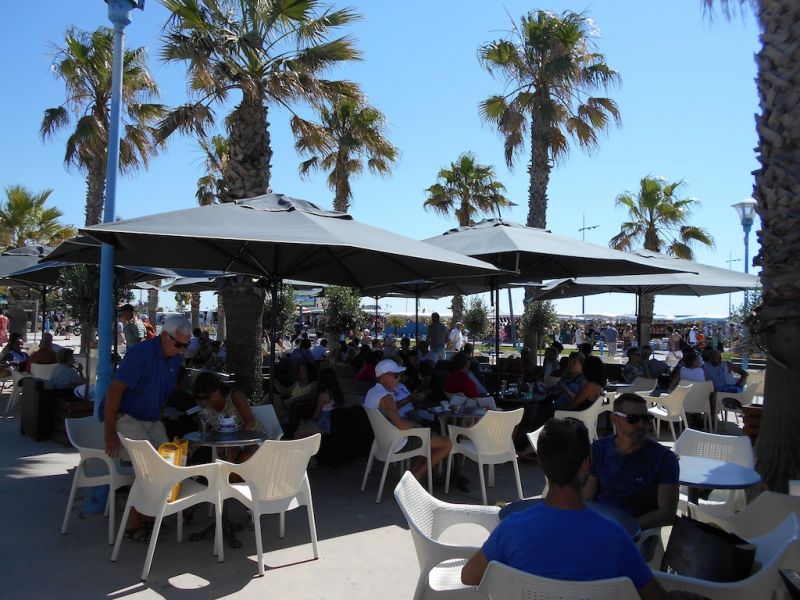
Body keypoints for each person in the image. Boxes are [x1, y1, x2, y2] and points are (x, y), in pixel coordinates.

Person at [462, 418, 666, 600]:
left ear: (541, 463)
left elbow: (468, 576)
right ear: (587, 465)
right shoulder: (615, 538)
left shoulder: (511, 529)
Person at [102, 314, 191, 541]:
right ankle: (133, 523)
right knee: (149, 467)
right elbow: (114, 391)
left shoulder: (174, 359)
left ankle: (151, 514)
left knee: (170, 464)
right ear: (163, 336)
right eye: (178, 344)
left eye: (186, 345)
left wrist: (159, 416)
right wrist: (109, 433)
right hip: (128, 416)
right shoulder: (140, 355)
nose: (181, 350)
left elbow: (165, 391)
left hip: (151, 419)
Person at [584, 393, 679, 530]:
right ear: (614, 419)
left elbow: (667, 514)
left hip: (636, 535)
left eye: (646, 419)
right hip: (599, 527)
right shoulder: (599, 449)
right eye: (633, 419)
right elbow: (588, 497)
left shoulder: (664, 459)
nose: (641, 425)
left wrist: (626, 529)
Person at [364, 359, 451, 482]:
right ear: (383, 377)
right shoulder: (386, 397)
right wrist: (416, 425)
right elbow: (401, 425)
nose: (399, 379)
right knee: (447, 443)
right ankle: (416, 476)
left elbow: (390, 410)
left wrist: (407, 402)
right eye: (395, 376)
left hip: (382, 440)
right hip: (397, 443)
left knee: (430, 437)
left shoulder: (372, 392)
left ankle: (410, 477)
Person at [193, 371, 263, 457]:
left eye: (206, 397)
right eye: (200, 398)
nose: (203, 401)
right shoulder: (204, 405)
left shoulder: (234, 396)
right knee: (225, 456)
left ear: (217, 390)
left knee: (238, 457)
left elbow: (250, 422)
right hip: (226, 441)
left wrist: (237, 443)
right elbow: (204, 430)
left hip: (253, 436)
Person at [295, 367, 345, 437]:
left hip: (324, 424)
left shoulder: (323, 395)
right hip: (335, 423)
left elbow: (317, 412)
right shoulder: (337, 393)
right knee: (302, 424)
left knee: (298, 433)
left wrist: (311, 421)